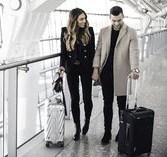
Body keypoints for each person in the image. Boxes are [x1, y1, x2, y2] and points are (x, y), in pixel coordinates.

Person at [92, 6, 140, 145]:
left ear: (123, 16)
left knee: (122, 105)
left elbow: (134, 52)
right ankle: (107, 132)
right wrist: (96, 69)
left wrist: (135, 69)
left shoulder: (131, 32)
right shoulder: (103, 32)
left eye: (119, 20)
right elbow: (98, 51)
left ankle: (121, 130)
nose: (117, 23)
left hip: (122, 73)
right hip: (106, 73)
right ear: (110, 18)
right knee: (107, 104)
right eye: (114, 20)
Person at [59, 8, 95, 141]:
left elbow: (92, 51)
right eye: (81, 19)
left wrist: (95, 69)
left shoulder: (89, 30)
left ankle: (87, 120)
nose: (84, 21)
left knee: (87, 97)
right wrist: (62, 65)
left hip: (86, 68)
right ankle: (77, 127)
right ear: (74, 20)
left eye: (85, 18)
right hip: (71, 69)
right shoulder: (65, 31)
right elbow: (63, 52)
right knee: (74, 98)